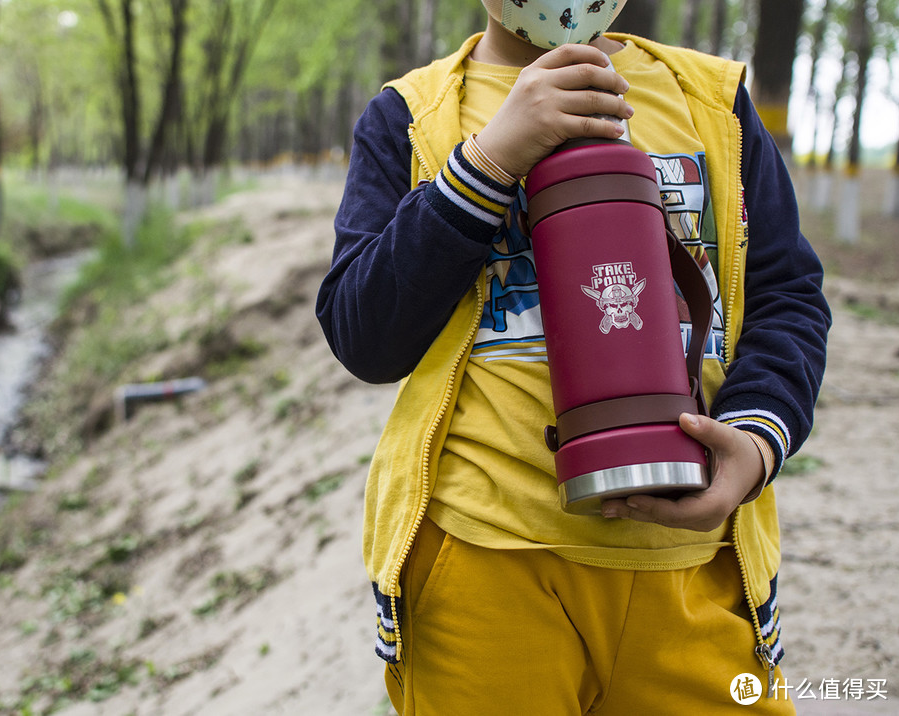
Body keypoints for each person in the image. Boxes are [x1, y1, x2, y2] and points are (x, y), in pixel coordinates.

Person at [316, 0, 831, 712]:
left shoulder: (710, 100)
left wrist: (756, 438)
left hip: (693, 566)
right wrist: (488, 162)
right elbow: (363, 335)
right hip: (484, 561)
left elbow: (788, 295)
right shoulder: (412, 114)